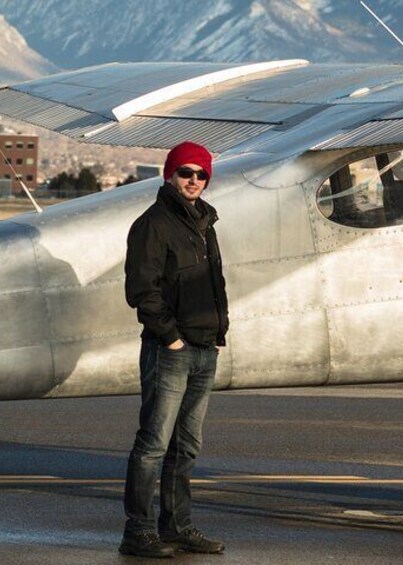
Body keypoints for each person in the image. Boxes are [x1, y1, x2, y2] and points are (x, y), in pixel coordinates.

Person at [121, 141, 229, 558]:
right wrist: (171, 337)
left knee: (187, 446)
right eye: (186, 173)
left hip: (204, 349)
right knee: (153, 443)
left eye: (201, 174)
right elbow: (142, 290)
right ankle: (138, 530)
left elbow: (215, 282)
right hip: (171, 351)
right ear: (170, 174)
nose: (194, 181)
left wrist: (218, 334)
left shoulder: (206, 224)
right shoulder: (153, 224)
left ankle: (177, 526)